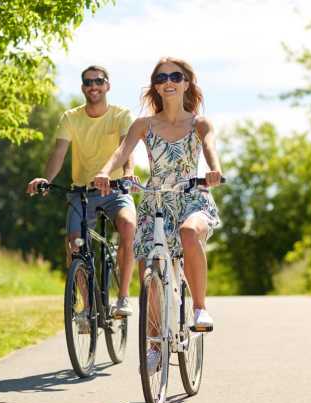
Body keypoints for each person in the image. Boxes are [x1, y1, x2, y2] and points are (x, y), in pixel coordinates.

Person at [93, 57, 222, 334]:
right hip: (156, 200)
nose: (169, 82)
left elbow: (210, 146)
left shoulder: (199, 123)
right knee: (149, 267)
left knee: (189, 233)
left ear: (186, 83)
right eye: (161, 78)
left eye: (175, 77)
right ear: (156, 87)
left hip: (192, 195)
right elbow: (121, 152)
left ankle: (200, 308)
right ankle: (153, 343)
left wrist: (214, 170)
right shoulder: (144, 124)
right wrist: (104, 172)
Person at [26, 65, 137, 316]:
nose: (93, 86)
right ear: (82, 88)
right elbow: (58, 153)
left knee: (129, 227)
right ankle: (87, 308)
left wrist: (128, 173)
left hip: (115, 190)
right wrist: (46, 178)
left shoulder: (121, 115)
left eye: (98, 81)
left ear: (107, 85)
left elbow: (126, 150)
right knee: (75, 244)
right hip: (82, 193)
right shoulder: (70, 118)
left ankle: (122, 299)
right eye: (88, 82)